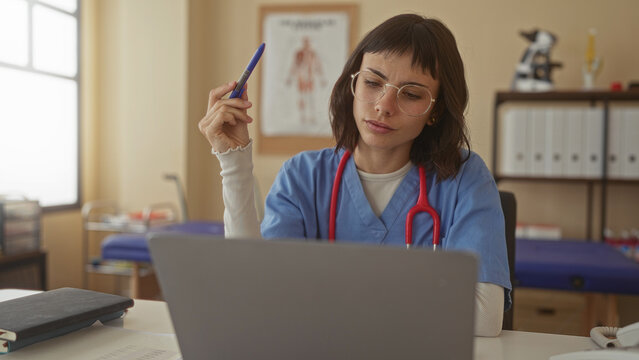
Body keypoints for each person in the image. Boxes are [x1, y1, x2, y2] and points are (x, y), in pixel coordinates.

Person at [198, 13, 511, 337]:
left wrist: (320, 296)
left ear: (436, 111)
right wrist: (233, 163)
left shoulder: (464, 178)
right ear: (352, 84)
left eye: (411, 93)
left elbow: (484, 317)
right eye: (373, 82)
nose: (384, 105)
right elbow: (257, 295)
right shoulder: (303, 176)